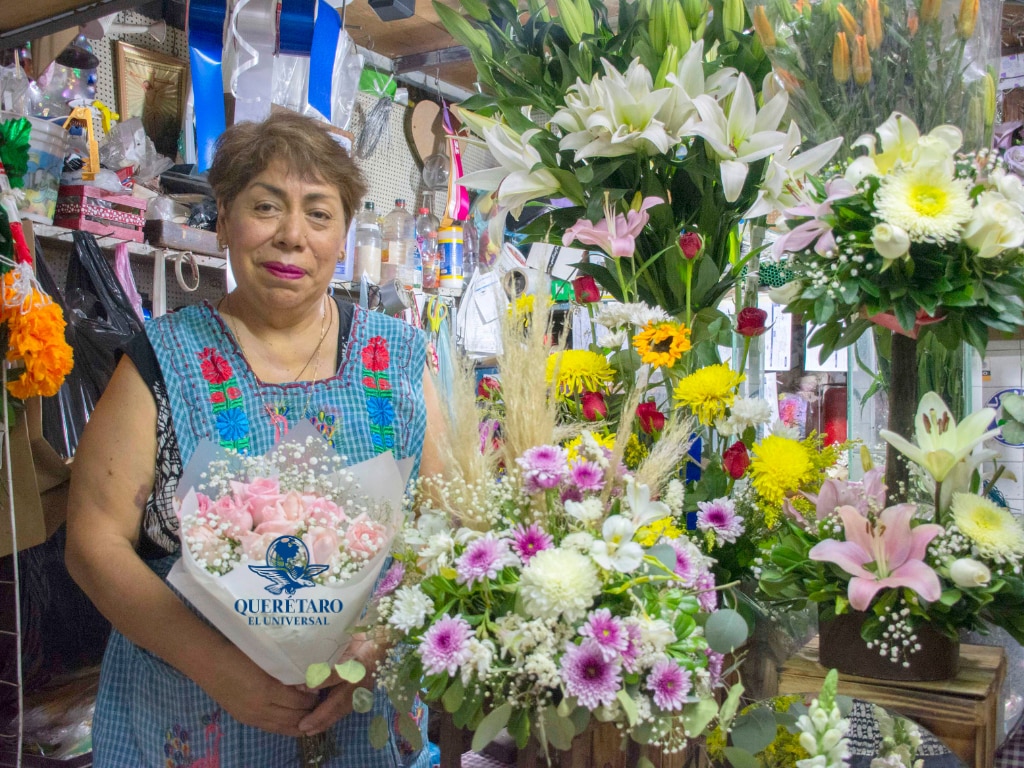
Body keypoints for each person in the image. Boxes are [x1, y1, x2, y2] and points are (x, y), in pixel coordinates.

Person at [66, 111, 444, 767]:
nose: (292, 236)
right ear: (225, 217)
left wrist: (382, 634)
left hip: (365, 715)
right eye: (266, 207)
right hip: (192, 713)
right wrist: (218, 668)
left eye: (319, 215)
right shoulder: (163, 360)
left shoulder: (403, 359)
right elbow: (94, 545)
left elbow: (451, 527)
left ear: (344, 231)